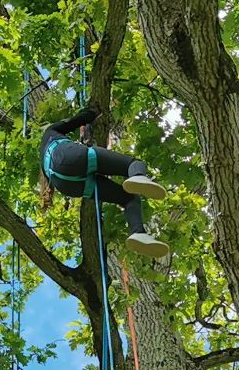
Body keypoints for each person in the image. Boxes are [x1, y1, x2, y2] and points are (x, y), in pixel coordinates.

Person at [39, 105, 171, 260]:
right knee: (132, 164)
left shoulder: (44, 163)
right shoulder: (50, 132)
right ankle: (137, 175)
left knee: (128, 198)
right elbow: (78, 119)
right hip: (69, 157)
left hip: (66, 185)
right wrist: (92, 112)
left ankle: (138, 233)